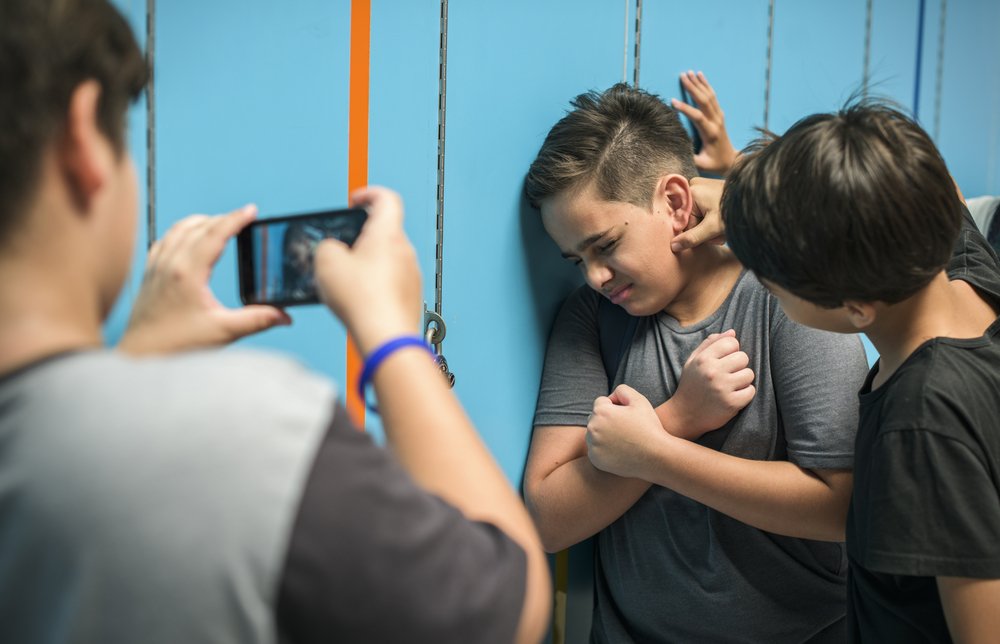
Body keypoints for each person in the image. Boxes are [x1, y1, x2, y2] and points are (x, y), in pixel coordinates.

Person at [0, 1, 549, 643]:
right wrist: (394, 337)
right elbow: (503, 608)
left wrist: (137, 360)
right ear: (84, 139)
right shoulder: (246, 430)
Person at [522, 83, 870, 642]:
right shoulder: (590, 317)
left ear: (676, 204)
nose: (594, 276)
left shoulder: (786, 299)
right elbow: (548, 519)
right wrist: (676, 419)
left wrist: (656, 455)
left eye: (605, 245)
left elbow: (840, 507)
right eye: (576, 259)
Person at [713, 102, 1000, 642]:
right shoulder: (968, 271)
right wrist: (744, 180)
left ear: (857, 307)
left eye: (772, 286)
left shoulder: (923, 423)